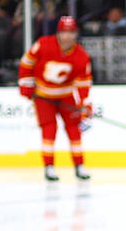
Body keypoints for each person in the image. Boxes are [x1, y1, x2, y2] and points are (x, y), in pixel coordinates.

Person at [18, 16, 94, 182]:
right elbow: (27, 63)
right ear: (58, 33)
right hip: (43, 96)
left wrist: (84, 102)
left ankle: (79, 165)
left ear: (76, 34)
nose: (67, 37)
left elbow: (84, 82)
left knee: (74, 129)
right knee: (49, 129)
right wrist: (25, 84)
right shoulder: (43, 44)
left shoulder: (81, 55)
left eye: (71, 32)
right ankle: (49, 166)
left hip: (66, 96)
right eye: (64, 32)